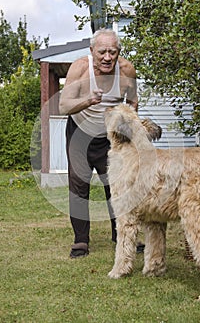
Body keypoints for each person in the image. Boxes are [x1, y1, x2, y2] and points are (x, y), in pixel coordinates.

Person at [59, 28, 142, 258]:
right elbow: (63, 106)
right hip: (79, 134)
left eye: (113, 52)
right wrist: (88, 100)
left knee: (116, 185)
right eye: (102, 52)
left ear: (119, 53)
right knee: (79, 185)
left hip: (110, 136)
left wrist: (128, 126)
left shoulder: (126, 70)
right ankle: (81, 242)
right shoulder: (80, 69)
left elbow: (133, 101)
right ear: (92, 51)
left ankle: (122, 235)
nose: (107, 57)